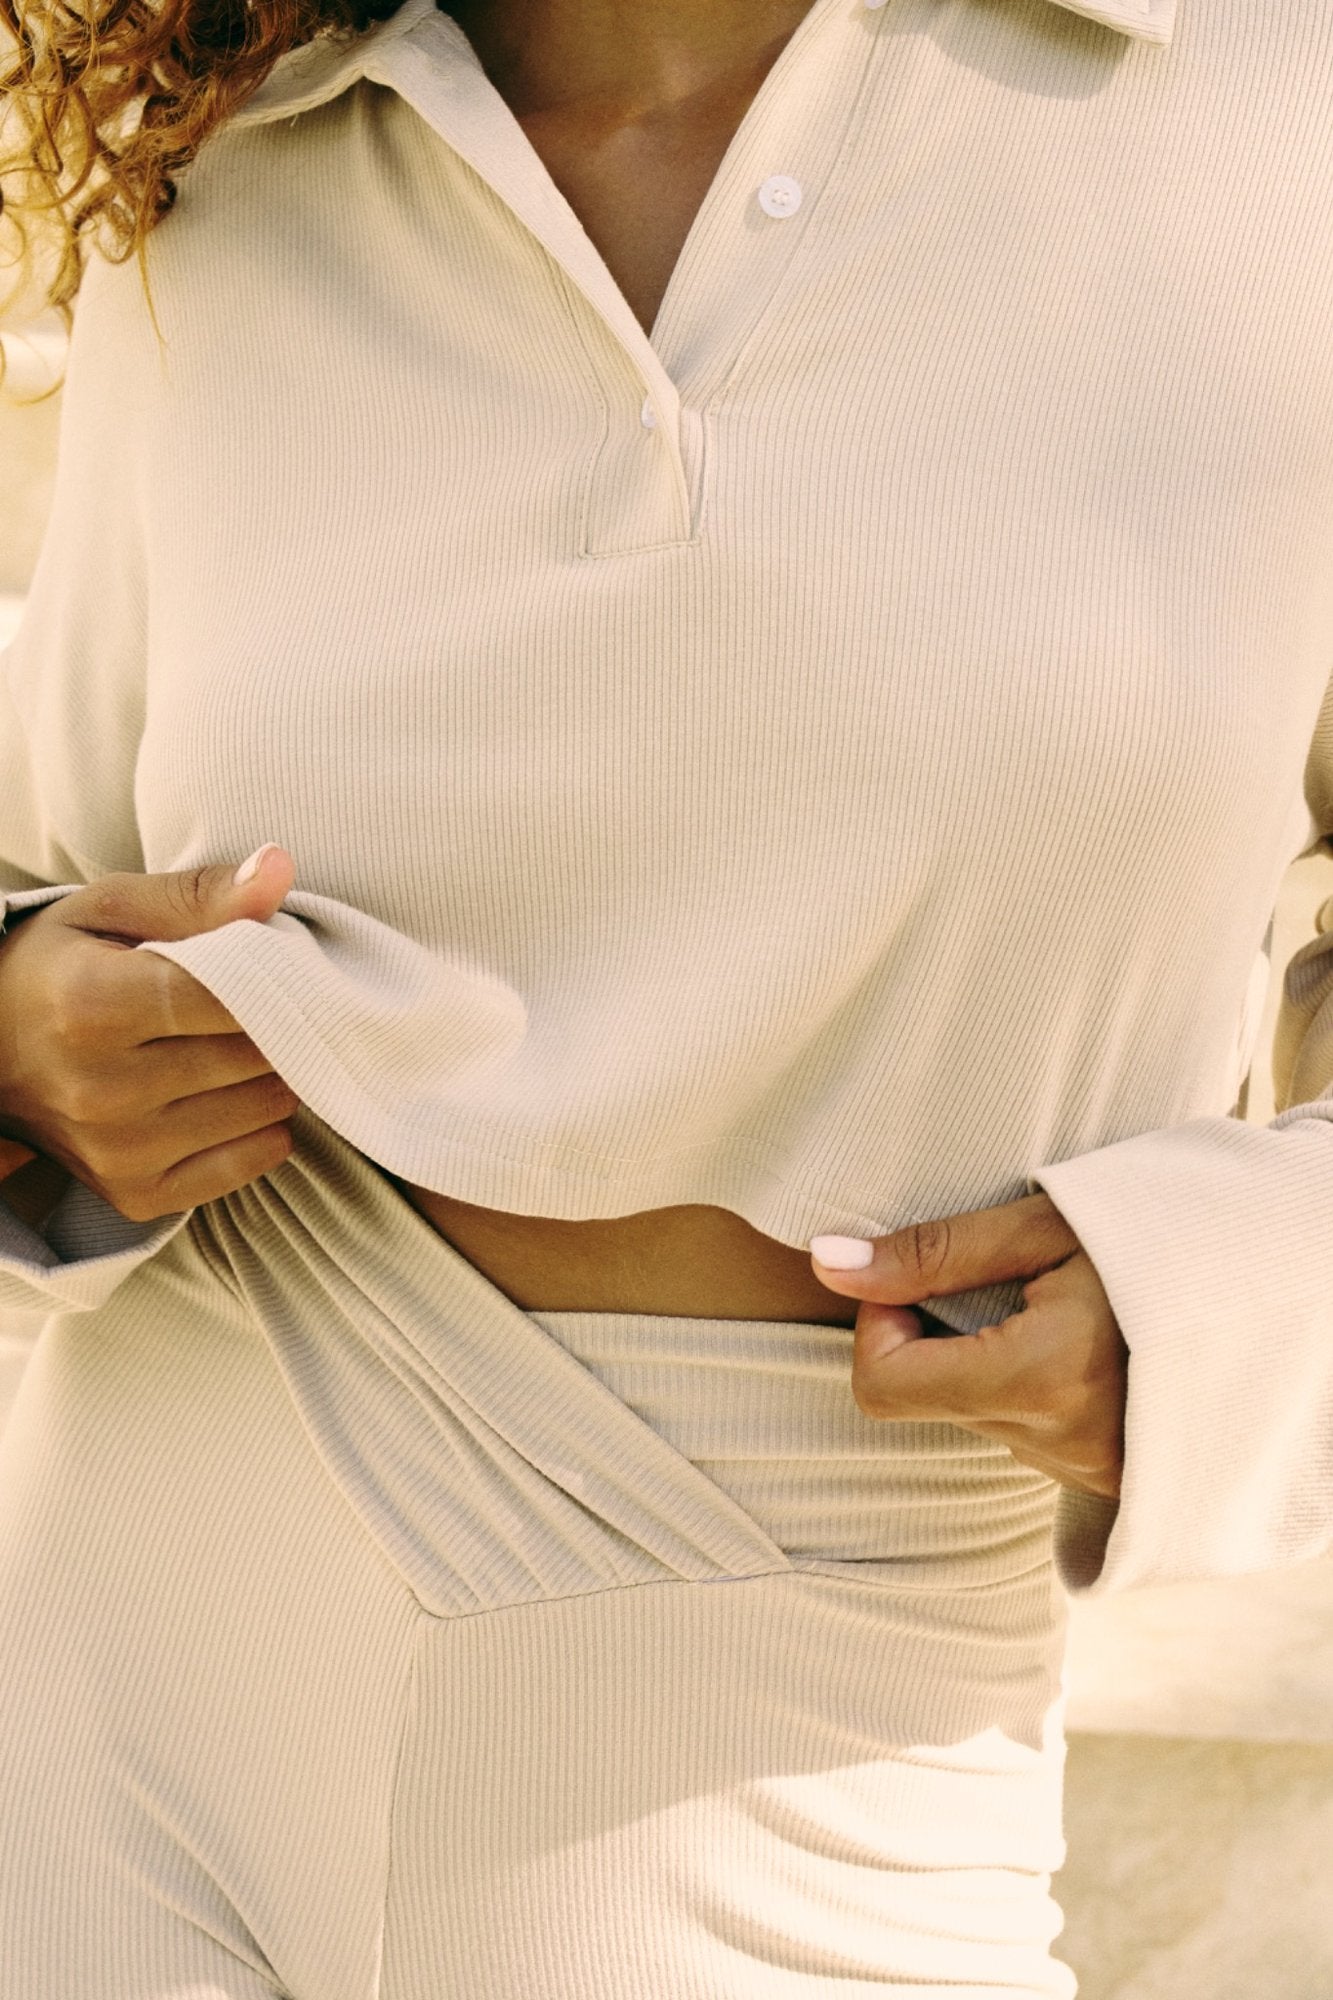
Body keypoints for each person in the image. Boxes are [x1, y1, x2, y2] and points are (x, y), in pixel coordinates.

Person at [0, 0, 1331, 1990]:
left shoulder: (1273, 117)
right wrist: (26, 1028)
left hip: (829, 1715)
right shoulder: (223, 155)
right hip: (114, 1694)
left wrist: (1238, 1296)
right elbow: (64, 844)